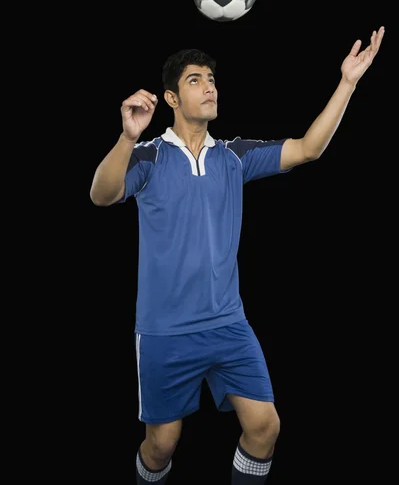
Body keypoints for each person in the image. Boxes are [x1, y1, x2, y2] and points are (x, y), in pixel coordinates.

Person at [90, 26, 385, 484]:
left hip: (228, 324)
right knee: (161, 444)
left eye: (211, 78)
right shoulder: (148, 157)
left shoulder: (234, 156)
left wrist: (347, 82)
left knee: (265, 427)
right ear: (170, 98)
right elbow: (102, 195)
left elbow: (308, 149)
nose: (210, 86)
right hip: (166, 332)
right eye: (195, 79)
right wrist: (127, 137)